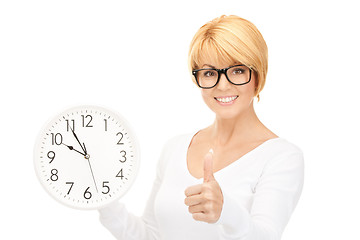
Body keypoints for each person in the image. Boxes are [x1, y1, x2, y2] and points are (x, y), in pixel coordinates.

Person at [99, 15, 304, 240]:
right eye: (209, 73)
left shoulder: (281, 157)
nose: (223, 85)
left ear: (257, 74)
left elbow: (266, 236)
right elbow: (152, 235)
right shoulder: (175, 147)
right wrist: (105, 202)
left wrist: (225, 211)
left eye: (237, 70)